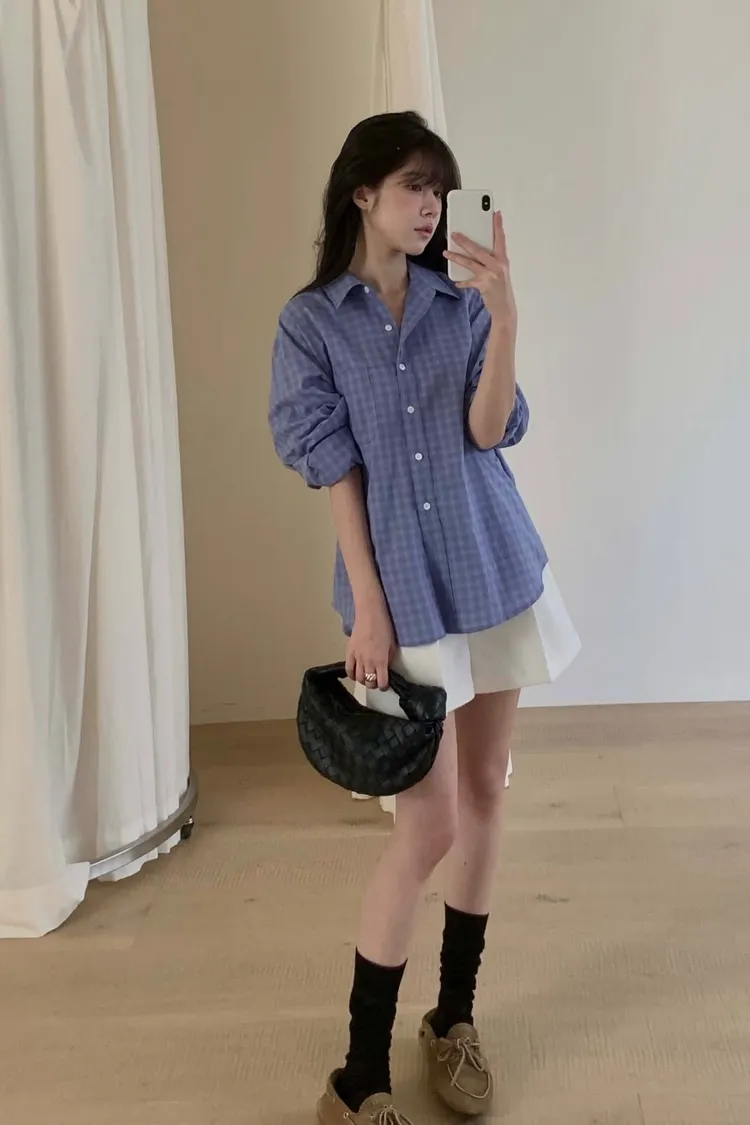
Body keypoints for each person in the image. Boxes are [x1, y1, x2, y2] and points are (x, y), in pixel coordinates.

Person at [269, 111, 580, 1125]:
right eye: (413, 186)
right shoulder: (312, 324)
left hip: (492, 566)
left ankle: (453, 1019)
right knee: (427, 823)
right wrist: (367, 603)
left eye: (439, 191)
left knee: (485, 790)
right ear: (362, 192)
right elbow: (336, 470)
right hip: (402, 595)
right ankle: (357, 1078)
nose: (431, 206)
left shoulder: (460, 302)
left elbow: (490, 431)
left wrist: (506, 316)